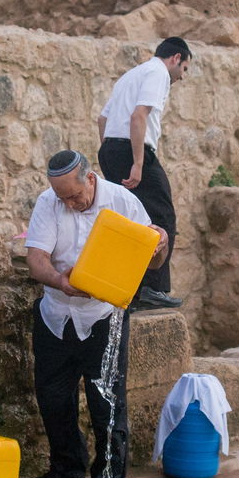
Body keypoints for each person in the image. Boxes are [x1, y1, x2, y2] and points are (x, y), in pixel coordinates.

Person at [24, 150, 169, 478]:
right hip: (57, 313)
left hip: (104, 315)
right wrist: (59, 280)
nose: (69, 203)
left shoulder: (123, 202)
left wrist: (161, 243)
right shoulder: (48, 203)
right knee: (53, 398)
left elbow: (153, 258)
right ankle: (67, 469)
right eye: (62, 198)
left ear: (90, 179)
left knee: (106, 403)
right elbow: (36, 259)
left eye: (74, 195)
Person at [96, 36, 191, 311]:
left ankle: (128, 287)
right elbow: (139, 116)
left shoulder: (132, 74)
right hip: (132, 151)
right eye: (184, 69)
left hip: (112, 149)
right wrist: (137, 162)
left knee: (129, 218)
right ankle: (152, 288)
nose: (182, 77)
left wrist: (111, 151)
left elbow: (102, 119)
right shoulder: (158, 72)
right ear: (176, 58)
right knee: (161, 215)